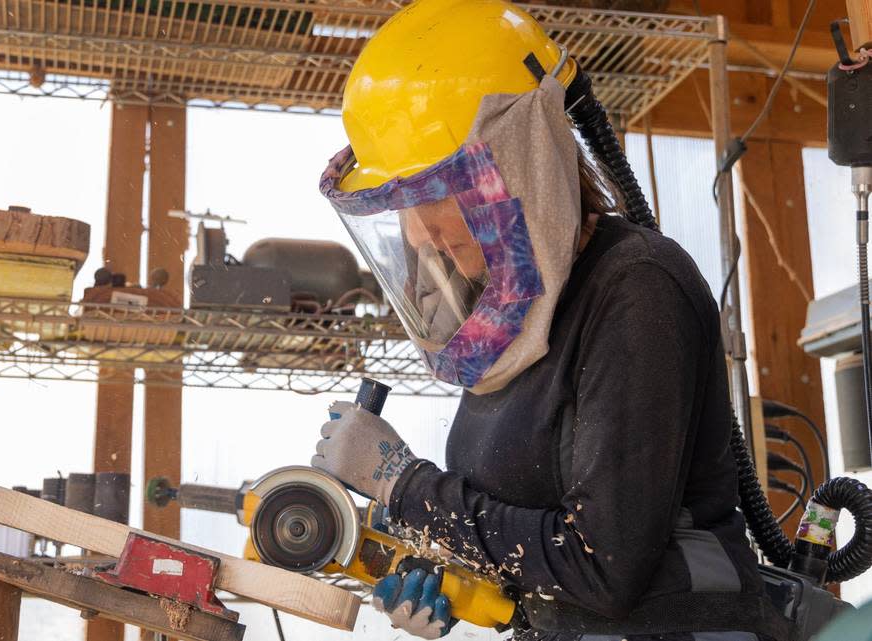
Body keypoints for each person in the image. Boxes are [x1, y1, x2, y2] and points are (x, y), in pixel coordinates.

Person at [311, 1, 774, 639]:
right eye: (402, 205)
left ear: (517, 160)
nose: (419, 234)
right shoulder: (513, 326)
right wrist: (454, 571)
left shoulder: (637, 289)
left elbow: (605, 567)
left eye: (434, 194)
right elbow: (531, 544)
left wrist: (406, 486)